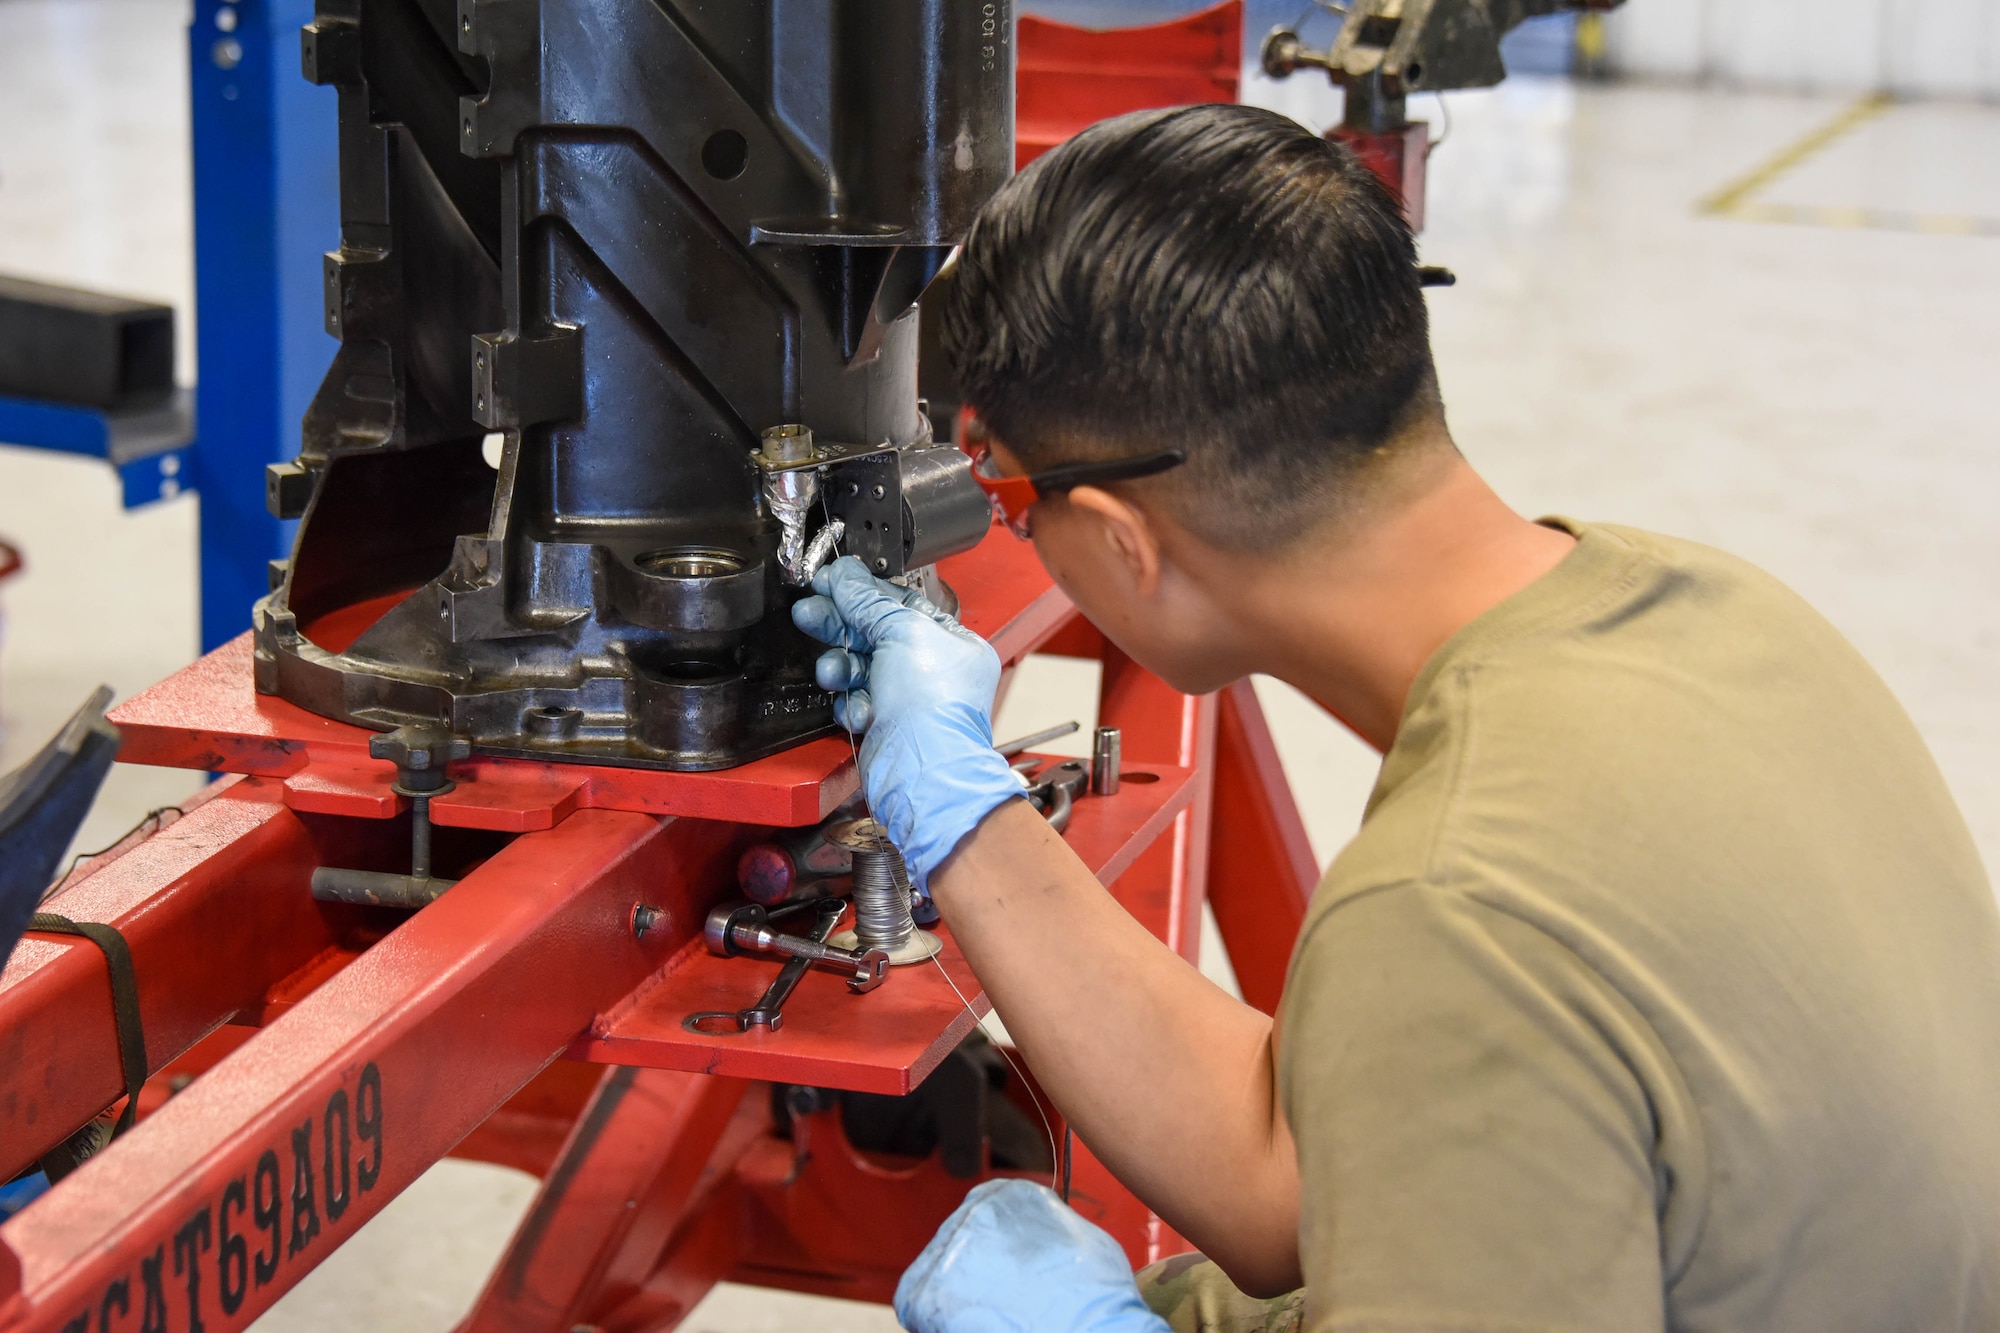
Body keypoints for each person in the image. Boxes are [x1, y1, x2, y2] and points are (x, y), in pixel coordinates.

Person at [792, 104, 2000, 1332]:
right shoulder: (1719, 612)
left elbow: (1457, 985)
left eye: (1012, 500)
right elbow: (1293, 1177)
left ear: (1119, 538)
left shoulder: (1452, 908)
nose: (1015, 530)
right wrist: (963, 812)